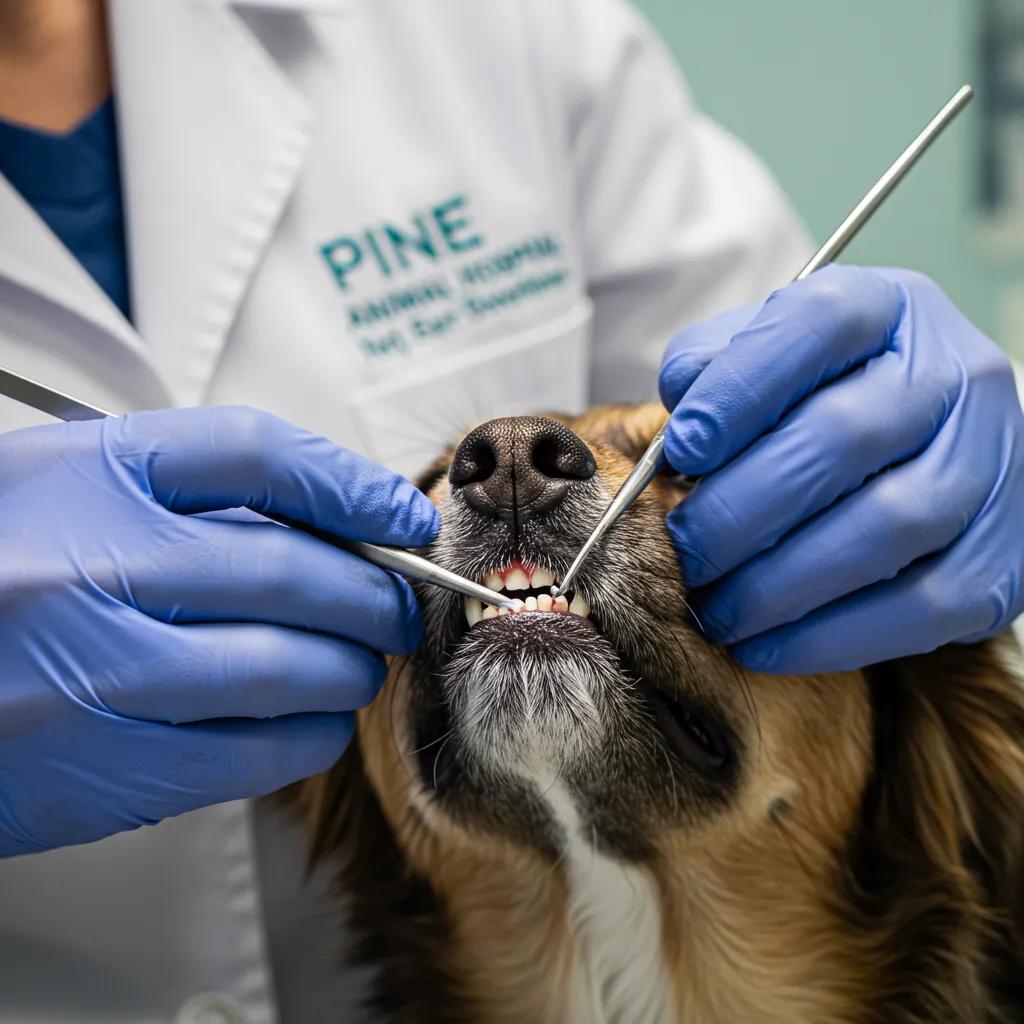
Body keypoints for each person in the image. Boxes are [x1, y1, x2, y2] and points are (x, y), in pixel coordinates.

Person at [1, 1, 1020, 1021]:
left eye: (665, 474)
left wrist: (936, 465)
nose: (509, 462)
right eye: (453, 468)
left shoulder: (497, 29)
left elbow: (819, 422)